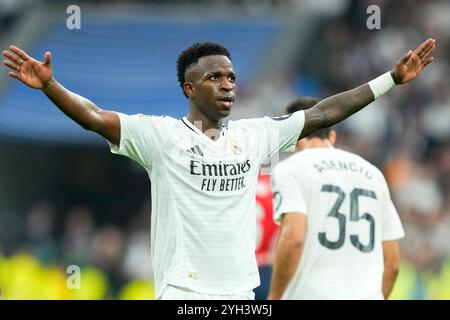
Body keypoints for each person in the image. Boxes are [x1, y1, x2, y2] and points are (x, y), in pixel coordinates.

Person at [2, 39, 435, 299]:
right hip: (185, 294)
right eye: (214, 78)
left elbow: (324, 112)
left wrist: (390, 80)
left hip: (240, 293)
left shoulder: (255, 136)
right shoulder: (161, 137)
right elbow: (95, 116)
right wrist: (50, 87)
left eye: (230, 77)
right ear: (189, 88)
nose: (227, 84)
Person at [268, 96, 405, 300]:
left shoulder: (290, 169)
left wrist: (275, 296)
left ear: (292, 137)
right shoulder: (373, 173)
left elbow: (294, 238)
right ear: (332, 136)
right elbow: (392, 264)